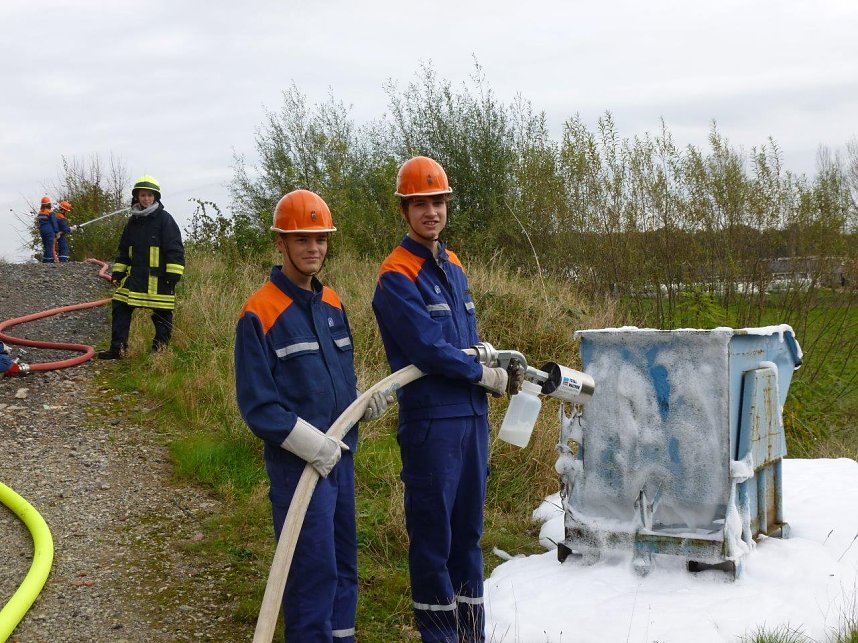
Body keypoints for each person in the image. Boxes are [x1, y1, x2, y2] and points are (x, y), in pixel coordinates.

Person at [234, 189, 389, 642]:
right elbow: (259, 407)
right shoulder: (259, 313)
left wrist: (363, 406)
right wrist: (311, 445)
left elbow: (338, 381)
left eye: (320, 238)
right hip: (298, 469)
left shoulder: (333, 304)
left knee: (343, 566)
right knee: (311, 575)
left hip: (340, 459)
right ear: (280, 242)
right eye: (302, 239)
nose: (314, 248)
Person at [371, 156, 509, 642]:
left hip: (471, 421)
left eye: (438, 202)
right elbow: (428, 349)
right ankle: (439, 637)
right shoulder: (396, 275)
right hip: (432, 424)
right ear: (405, 211)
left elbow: (463, 337)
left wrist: (484, 372)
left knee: (469, 538)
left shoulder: (453, 266)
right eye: (420, 204)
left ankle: (472, 635)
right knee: (434, 542)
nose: (431, 212)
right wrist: (480, 372)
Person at [98, 175, 185, 359]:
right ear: (137, 197)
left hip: (159, 279)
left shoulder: (164, 219)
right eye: (143, 195)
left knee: (162, 314)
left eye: (150, 195)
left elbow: (175, 248)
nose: (146, 199)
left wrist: (173, 273)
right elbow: (124, 250)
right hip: (136, 278)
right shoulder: (133, 222)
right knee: (120, 304)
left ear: (156, 197)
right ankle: (118, 349)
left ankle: (159, 351)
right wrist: (118, 273)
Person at [36, 195, 58, 263]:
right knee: (50, 247)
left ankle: (45, 260)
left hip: (42, 231)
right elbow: (54, 223)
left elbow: (39, 223)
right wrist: (56, 232)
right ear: (49, 204)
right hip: (49, 231)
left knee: (46, 246)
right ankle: (49, 261)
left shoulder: (40, 213)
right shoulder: (50, 212)